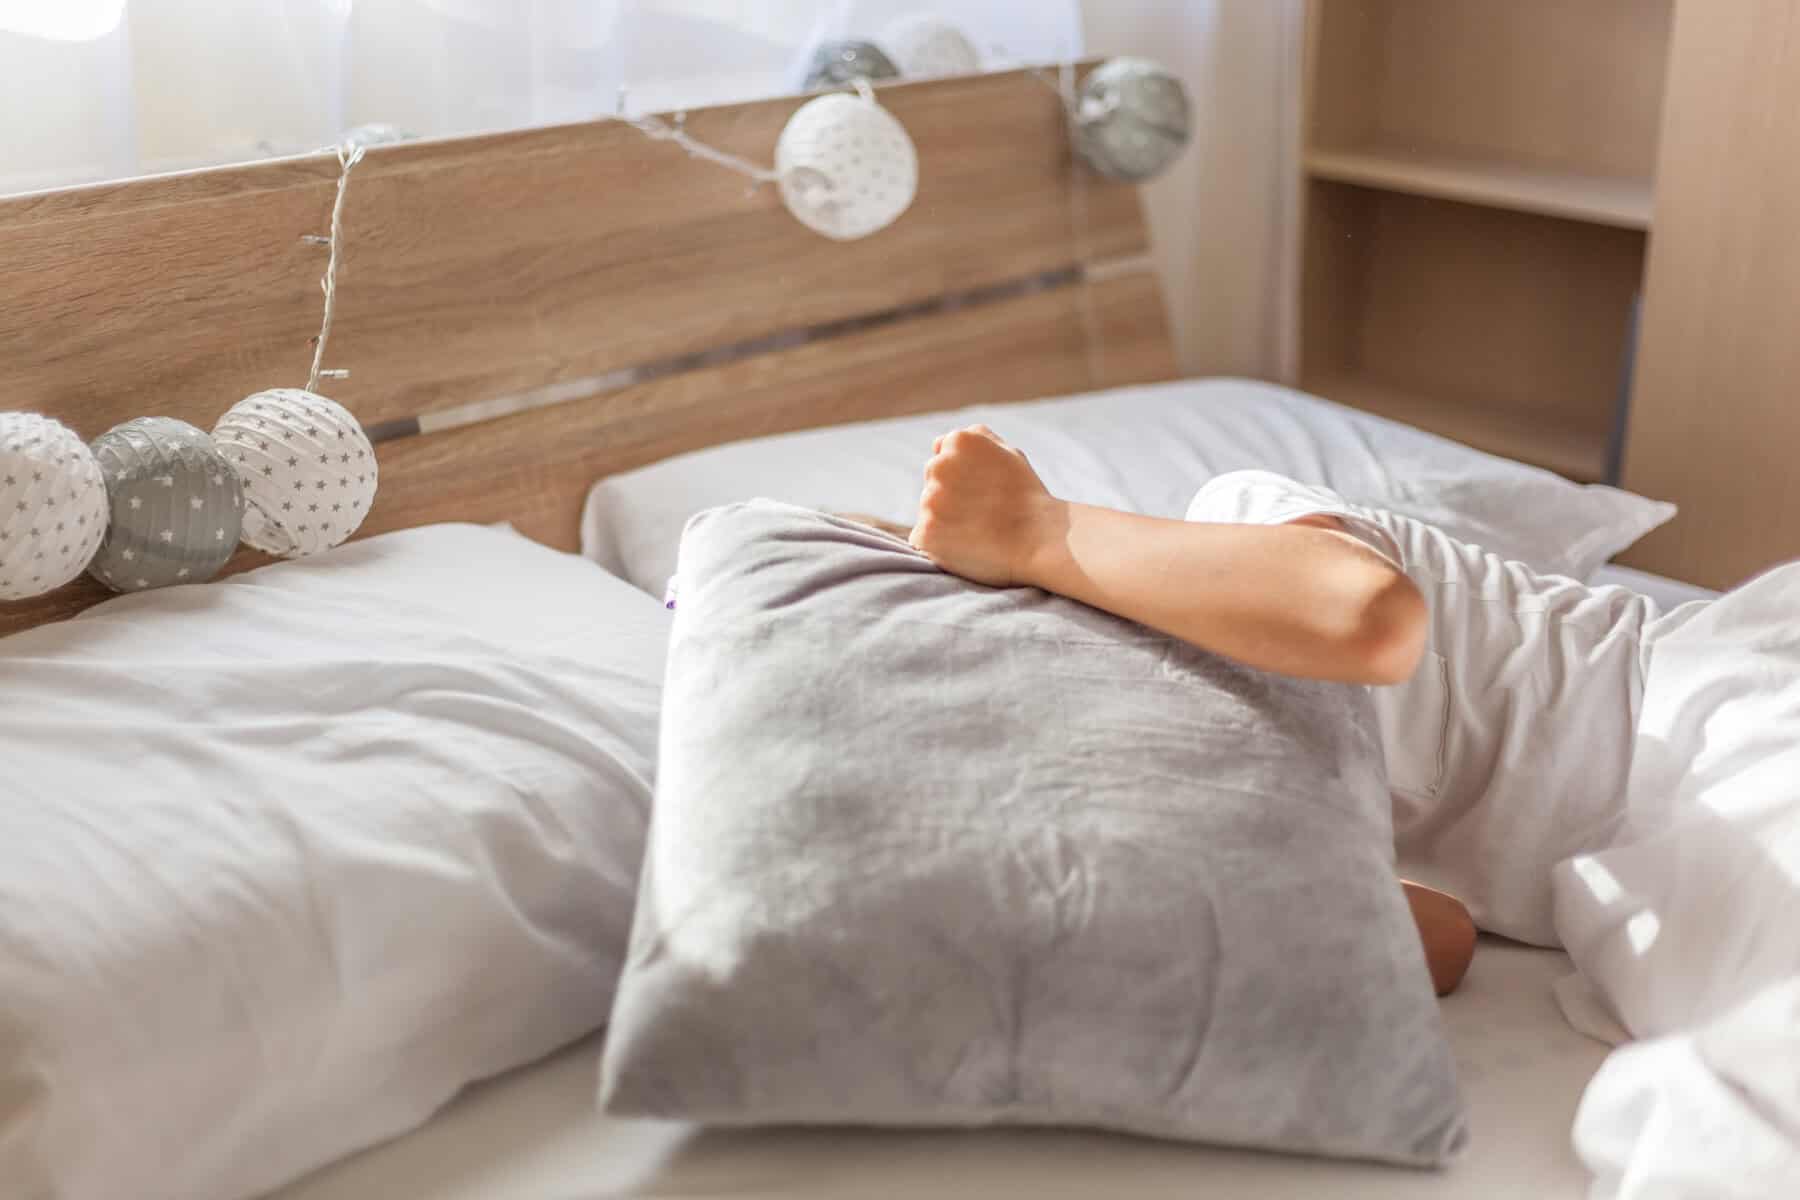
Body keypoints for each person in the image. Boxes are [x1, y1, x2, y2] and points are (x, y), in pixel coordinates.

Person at [846, 422, 1491, 993]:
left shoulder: (1238, 520)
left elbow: (1372, 618)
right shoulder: (1191, 779)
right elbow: (1441, 938)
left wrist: (1030, 525)